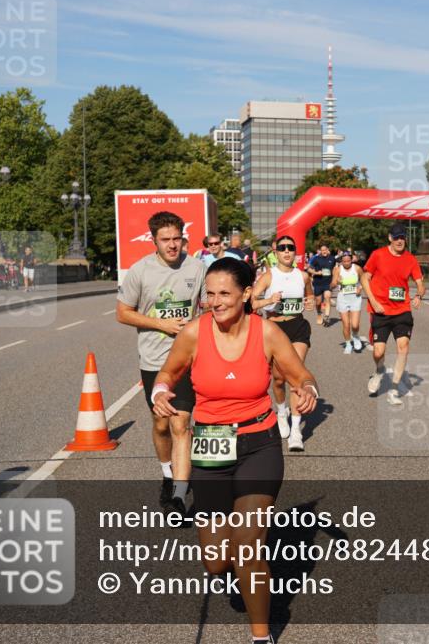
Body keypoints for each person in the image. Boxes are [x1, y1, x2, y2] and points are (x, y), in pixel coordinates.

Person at [152, 257, 317, 644]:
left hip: (259, 444)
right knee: (216, 561)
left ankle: (261, 635)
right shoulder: (194, 333)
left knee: (247, 549)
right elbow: (168, 372)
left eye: (224, 293)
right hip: (211, 445)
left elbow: (301, 374)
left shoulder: (267, 333)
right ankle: (238, 569)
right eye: (209, 294)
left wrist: (308, 389)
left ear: (246, 294)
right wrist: (161, 392)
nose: (216, 301)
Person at [116, 212, 206, 515]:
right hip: (154, 360)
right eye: (165, 240)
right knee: (161, 424)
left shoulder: (197, 267)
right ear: (153, 240)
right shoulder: (141, 271)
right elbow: (123, 312)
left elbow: (209, 305)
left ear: (184, 237)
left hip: (188, 359)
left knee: (182, 423)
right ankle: (168, 472)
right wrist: (160, 324)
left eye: (177, 239)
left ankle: (179, 495)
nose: (172, 245)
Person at [251, 235, 314, 452]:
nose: (287, 252)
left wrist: (310, 302)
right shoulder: (269, 276)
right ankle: (281, 410)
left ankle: (296, 431)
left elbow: (310, 295)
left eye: (291, 248)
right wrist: (268, 301)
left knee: (295, 375)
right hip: (274, 330)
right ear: (275, 252)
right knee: (278, 380)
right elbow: (251, 302)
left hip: (297, 327)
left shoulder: (303, 275)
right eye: (283, 248)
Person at [361, 222, 426, 406]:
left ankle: (394, 389)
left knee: (403, 347)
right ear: (390, 238)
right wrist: (373, 301)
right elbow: (364, 278)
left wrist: (419, 294)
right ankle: (380, 370)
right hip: (380, 310)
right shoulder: (378, 255)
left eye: (402, 237)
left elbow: (420, 283)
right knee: (379, 351)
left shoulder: (410, 259)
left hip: (402, 310)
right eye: (396, 237)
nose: (399, 241)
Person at [331, 250, 365, 354]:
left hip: (355, 298)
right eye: (344, 261)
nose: (346, 263)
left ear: (351, 260)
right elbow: (331, 285)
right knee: (346, 324)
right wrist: (337, 282)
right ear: (341, 261)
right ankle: (348, 344)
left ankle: (355, 337)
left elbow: (364, 280)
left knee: (354, 325)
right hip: (343, 298)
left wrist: (361, 287)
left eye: (348, 261)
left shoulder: (357, 268)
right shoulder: (337, 269)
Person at [307, 243, 337, 326]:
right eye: (322, 250)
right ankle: (319, 313)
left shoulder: (332, 258)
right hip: (318, 283)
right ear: (320, 251)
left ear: (327, 250)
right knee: (318, 301)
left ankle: (327, 317)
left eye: (325, 250)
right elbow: (308, 268)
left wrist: (335, 279)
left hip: (328, 282)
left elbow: (335, 269)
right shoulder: (316, 259)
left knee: (327, 297)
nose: (324, 251)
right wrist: (316, 272)